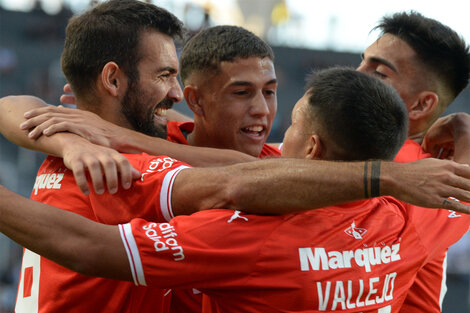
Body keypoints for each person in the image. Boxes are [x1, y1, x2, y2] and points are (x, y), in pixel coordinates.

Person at [1, 68, 470, 313]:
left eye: (286, 128)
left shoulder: (252, 238)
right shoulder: (414, 214)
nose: (269, 127)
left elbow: (86, 246)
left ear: (310, 147)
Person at [356, 11, 470, 312]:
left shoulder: (417, 179)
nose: (355, 74)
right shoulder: (364, 157)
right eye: (363, 60)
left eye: (379, 73)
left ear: (422, 104)